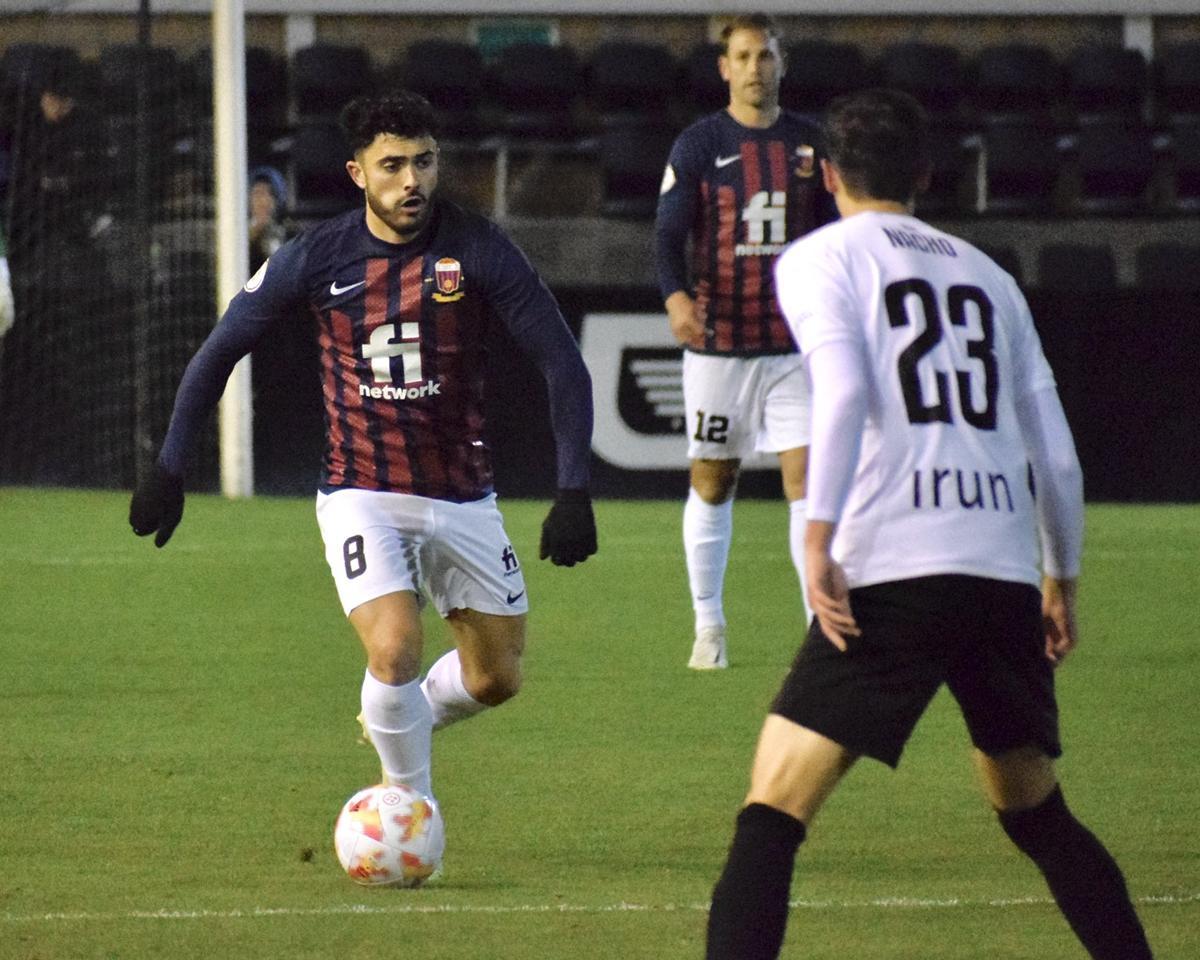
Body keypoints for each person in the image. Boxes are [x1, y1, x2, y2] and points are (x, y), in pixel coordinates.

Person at [703, 88, 1154, 960]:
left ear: (827, 174)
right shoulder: (992, 278)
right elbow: (1057, 457)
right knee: (1036, 812)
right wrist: (1060, 578)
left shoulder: (819, 258)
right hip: (1000, 576)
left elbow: (842, 391)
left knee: (772, 813)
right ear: (926, 175)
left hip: (894, 572)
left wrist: (817, 534)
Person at [130, 90, 598, 814]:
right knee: (395, 649)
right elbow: (221, 349)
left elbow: (563, 363)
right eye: (392, 166)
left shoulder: (477, 248)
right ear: (357, 174)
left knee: (497, 678)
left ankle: (400, 721)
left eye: (423, 162)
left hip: (463, 493)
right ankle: (408, 814)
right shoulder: (318, 256)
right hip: (362, 491)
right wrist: (169, 466)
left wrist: (573, 489)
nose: (410, 180)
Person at [655, 13, 837, 670]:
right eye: (743, 56)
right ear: (724, 68)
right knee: (712, 481)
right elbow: (668, 236)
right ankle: (710, 625)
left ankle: (820, 625)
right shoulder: (699, 145)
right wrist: (677, 298)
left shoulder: (813, 146)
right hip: (720, 343)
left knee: (807, 481)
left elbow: (837, 238)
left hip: (795, 346)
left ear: (780, 64)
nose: (755, 67)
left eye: (765, 55)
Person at [247, 164, 293, 274]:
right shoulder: (237, 236)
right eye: (258, 193)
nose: (264, 201)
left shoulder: (288, 234)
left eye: (270, 194)